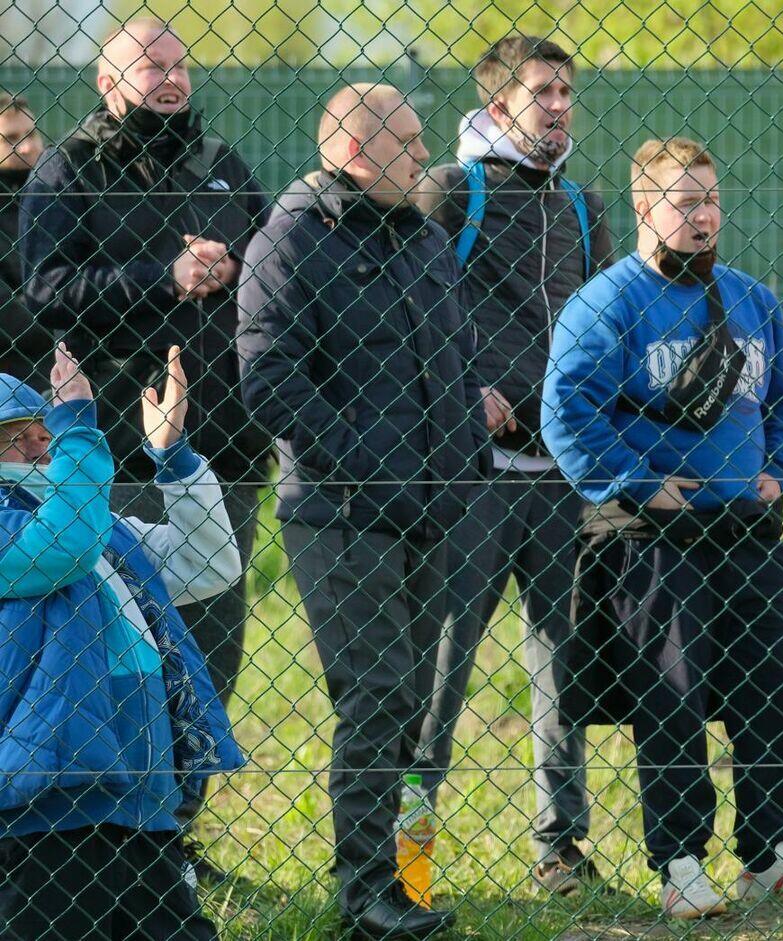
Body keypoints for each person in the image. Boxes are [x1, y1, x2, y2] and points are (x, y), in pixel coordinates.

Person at [542, 137, 783, 919]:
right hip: (652, 540)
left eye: (711, 200)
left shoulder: (750, 299)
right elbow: (566, 412)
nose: (704, 216)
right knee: (672, 695)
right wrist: (641, 482)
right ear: (644, 207)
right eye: (685, 202)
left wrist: (782, 468)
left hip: (746, 531)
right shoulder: (607, 303)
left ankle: (768, 854)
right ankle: (680, 862)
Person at [19, 17, 271, 878]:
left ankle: (178, 835)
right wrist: (161, 277)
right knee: (127, 652)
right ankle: (116, 838)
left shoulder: (219, 163)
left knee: (214, 644)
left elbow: (270, 264)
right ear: (106, 82)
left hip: (221, 444)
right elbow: (46, 290)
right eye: (149, 66)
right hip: (121, 452)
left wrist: (230, 269)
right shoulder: (69, 170)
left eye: (178, 65)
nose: (170, 79)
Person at [237, 83, 488, 939]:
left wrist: (464, 461)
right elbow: (269, 379)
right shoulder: (289, 240)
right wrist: (371, 465)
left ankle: (394, 883)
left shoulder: (421, 237)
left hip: (431, 509)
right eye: (407, 143)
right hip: (342, 512)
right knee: (376, 694)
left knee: (408, 698)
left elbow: (456, 359)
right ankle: (364, 896)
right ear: (352, 150)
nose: (424, 156)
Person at [413, 34, 615, 895]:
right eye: (543, 92)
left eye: (567, 91)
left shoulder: (582, 205)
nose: (560, 106)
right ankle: (405, 854)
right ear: (498, 104)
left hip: (561, 474)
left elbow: (603, 323)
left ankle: (560, 849)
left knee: (563, 664)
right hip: (474, 476)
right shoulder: (450, 190)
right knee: (442, 666)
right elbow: (411, 310)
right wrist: (466, 389)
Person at [0, 344, 243, 941]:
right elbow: (64, 547)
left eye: (44, 433)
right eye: (16, 438)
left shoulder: (100, 525)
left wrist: (172, 458)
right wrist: (79, 427)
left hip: (138, 774)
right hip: (51, 794)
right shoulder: (33, 526)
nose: (41, 448)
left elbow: (208, 563)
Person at [0, 92, 50, 389]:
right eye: (10, 139)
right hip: (14, 373)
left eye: (31, 134)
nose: (28, 147)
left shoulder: (59, 194)